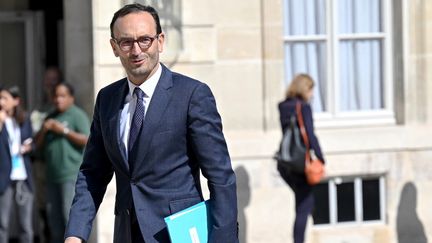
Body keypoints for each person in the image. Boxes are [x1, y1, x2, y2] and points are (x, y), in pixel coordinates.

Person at [64, 3, 238, 243]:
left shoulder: (192, 95)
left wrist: (223, 239)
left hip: (178, 234)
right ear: (114, 47)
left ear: (160, 41)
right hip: (126, 233)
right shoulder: (107, 99)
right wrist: (75, 233)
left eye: (145, 40)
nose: (136, 50)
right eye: (126, 42)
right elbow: (92, 173)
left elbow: (220, 177)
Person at [35, 82, 90, 243]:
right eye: (56, 96)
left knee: (69, 219)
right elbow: (36, 146)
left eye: (62, 96)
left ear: (71, 98)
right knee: (54, 221)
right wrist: (44, 130)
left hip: (70, 175)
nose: (58, 100)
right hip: (51, 177)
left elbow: (87, 139)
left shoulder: (77, 115)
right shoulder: (50, 117)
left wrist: (63, 131)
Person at [277, 74, 325, 243]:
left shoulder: (283, 106)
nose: (312, 94)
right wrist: (320, 158)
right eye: (311, 89)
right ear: (304, 89)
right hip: (301, 165)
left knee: (303, 202)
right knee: (304, 206)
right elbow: (310, 136)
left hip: (286, 163)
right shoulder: (303, 107)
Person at [0, 85, 34, 243]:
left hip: (23, 177)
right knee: (3, 223)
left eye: (4, 98)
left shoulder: (24, 119)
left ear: (16, 101)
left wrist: (29, 147)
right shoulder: (1, 120)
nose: (1, 101)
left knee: (25, 224)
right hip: (4, 178)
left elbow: (34, 143)